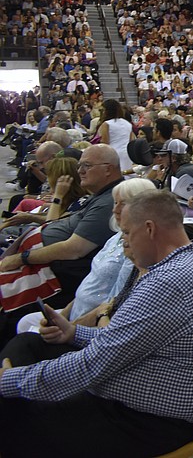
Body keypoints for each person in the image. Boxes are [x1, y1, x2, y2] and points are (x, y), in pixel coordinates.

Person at [0, 190, 193, 457]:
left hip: (146, 422)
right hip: (144, 401)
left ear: (149, 229)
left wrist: (11, 381)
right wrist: (73, 333)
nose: (124, 241)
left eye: (126, 233)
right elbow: (125, 342)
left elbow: (93, 363)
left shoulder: (169, 282)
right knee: (29, 345)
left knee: (13, 410)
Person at [0, 144, 124, 340]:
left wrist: (22, 258)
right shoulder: (97, 196)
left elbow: (74, 249)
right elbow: (56, 222)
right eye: (79, 165)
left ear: (108, 168)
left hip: (55, 269)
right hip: (39, 254)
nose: (80, 171)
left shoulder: (109, 202)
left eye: (87, 166)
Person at [94, 99, 134, 172]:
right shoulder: (128, 124)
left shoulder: (106, 124)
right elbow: (131, 141)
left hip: (112, 153)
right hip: (127, 154)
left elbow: (105, 143)